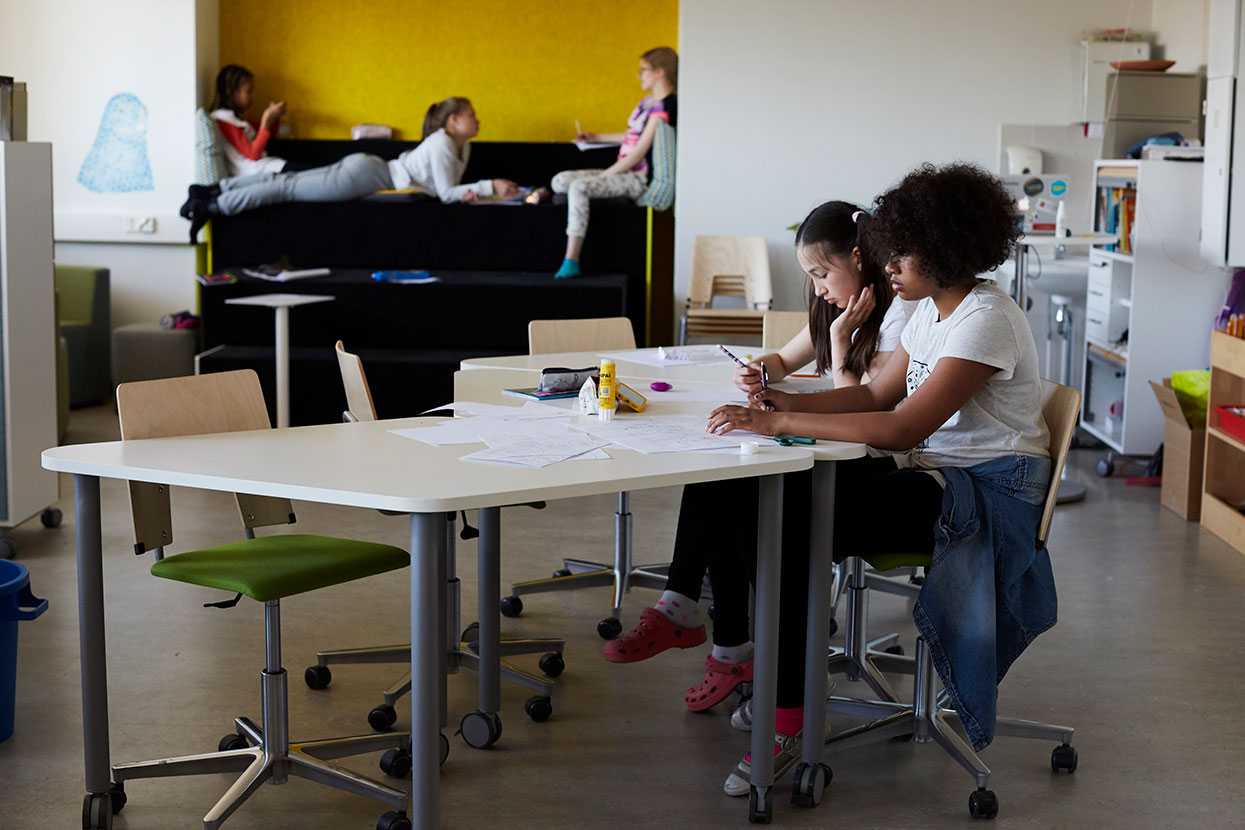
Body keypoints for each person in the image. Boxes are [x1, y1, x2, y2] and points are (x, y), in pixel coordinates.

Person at [695, 162, 1054, 796]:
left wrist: (777, 424)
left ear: (943, 250)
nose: (889, 265)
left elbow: (900, 429)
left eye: (903, 252)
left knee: (795, 518)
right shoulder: (930, 312)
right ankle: (777, 684)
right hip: (938, 480)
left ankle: (786, 716)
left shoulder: (984, 318)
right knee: (772, 504)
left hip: (982, 497)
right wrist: (777, 404)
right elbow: (875, 401)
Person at [603, 201, 915, 726]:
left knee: (742, 492)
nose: (816, 289)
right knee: (727, 467)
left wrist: (838, 349)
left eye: (821, 274)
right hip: (846, 451)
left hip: (875, 463)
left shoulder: (900, 314)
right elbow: (782, 358)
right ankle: (701, 624)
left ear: (859, 258)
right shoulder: (835, 306)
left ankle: (724, 643)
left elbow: (861, 407)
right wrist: (758, 371)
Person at [181, 96, 519, 243]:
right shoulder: (443, 143)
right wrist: (491, 185)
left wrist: (478, 189)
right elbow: (447, 194)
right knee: (286, 187)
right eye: (471, 114)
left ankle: (217, 190)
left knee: (286, 180)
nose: (478, 119)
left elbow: (447, 189)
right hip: (370, 175)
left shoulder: (462, 145)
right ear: (453, 120)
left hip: (369, 168)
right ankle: (212, 205)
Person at [549, 47, 677, 279]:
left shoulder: (665, 108)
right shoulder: (648, 103)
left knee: (579, 187)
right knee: (559, 181)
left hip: (636, 177)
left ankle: (571, 259)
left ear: (659, 72)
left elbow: (638, 152)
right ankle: (596, 209)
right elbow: (631, 136)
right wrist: (596, 137)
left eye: (644, 70)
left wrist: (604, 176)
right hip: (622, 171)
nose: (640, 75)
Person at [208, 64, 288, 179]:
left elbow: (264, 137)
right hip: (255, 172)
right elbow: (253, 154)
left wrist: (274, 118)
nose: (252, 96)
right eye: (249, 91)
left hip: (266, 165)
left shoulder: (235, 118)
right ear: (232, 93)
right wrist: (266, 120)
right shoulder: (222, 119)